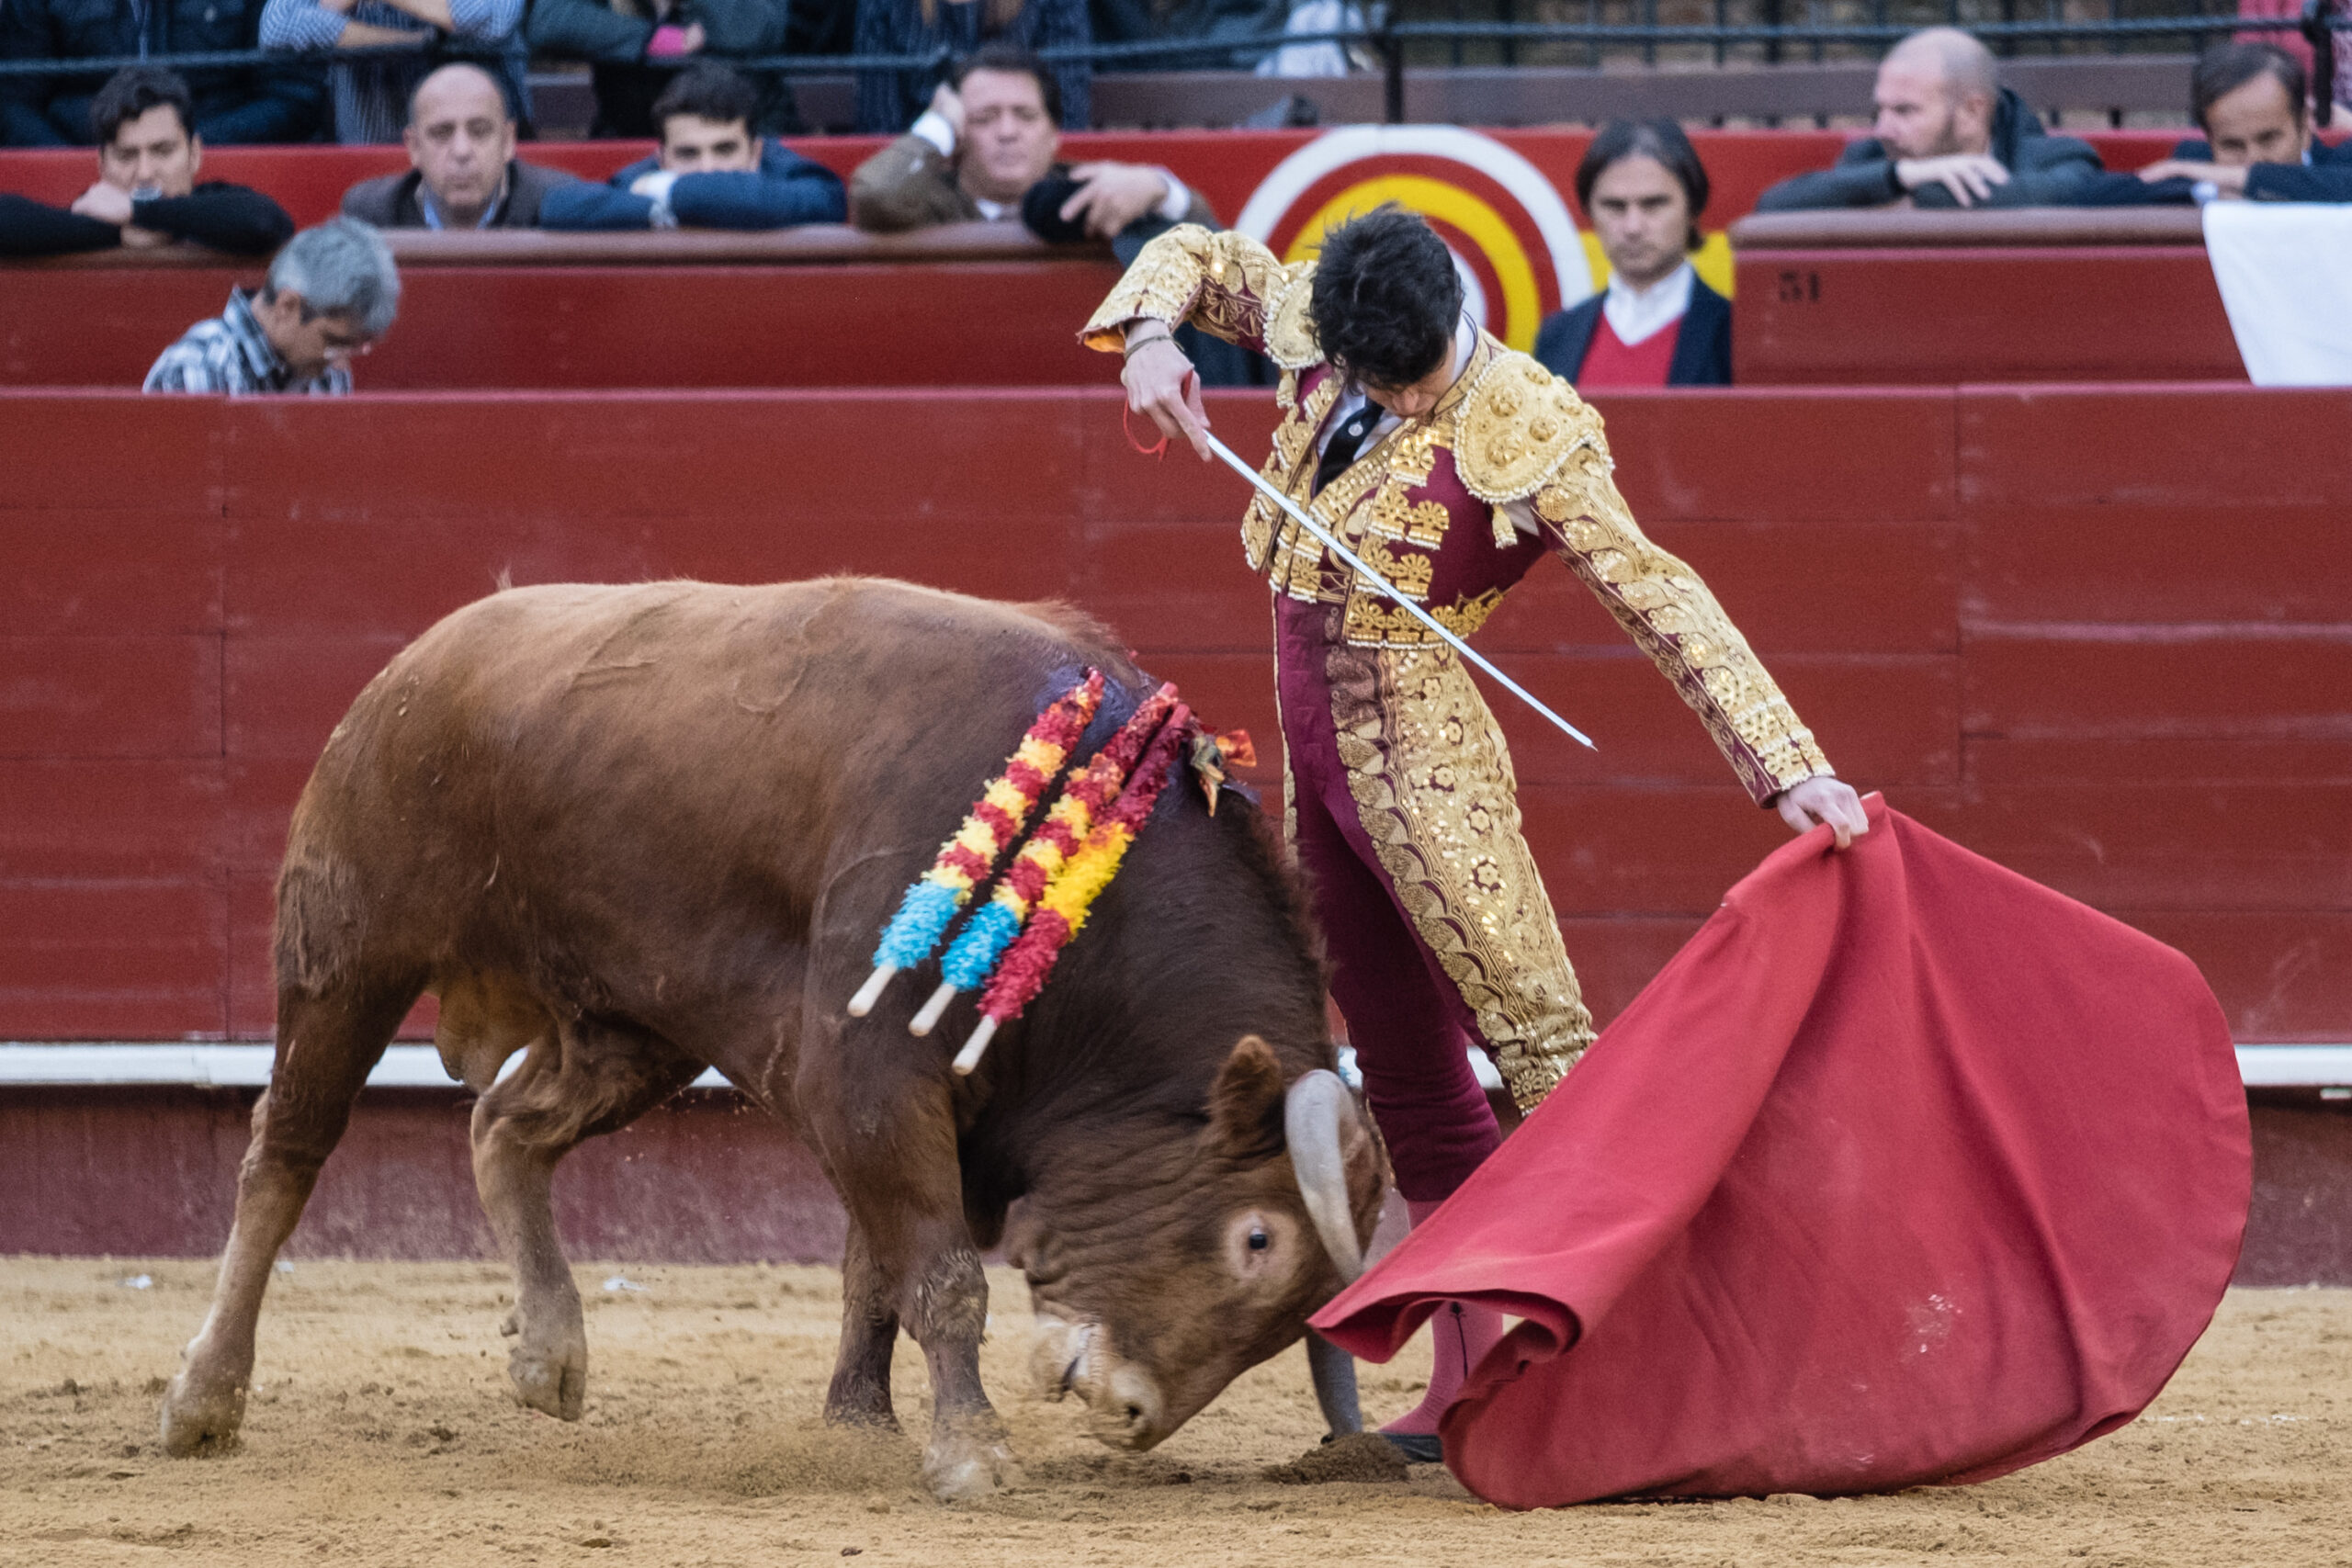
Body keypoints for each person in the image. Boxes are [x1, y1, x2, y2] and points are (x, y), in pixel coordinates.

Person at [1088, 206, 1868, 1460]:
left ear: (1454, 321)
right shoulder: (1319, 318)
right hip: (1322, 763)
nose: (1392, 402)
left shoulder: (1531, 422)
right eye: (1368, 380)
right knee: (1400, 1067)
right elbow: (1195, 247)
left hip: (1426, 757)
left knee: (1545, 1045)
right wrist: (1145, 338)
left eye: (1413, 381)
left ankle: (1658, 1369)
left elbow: (1660, 590)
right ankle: (1463, 1391)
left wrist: (1788, 770)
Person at [851, 46, 1208, 236]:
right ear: (957, 135)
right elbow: (876, 197)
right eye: (984, 118)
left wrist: (1161, 189)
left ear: (1054, 135)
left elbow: (1213, 241)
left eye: (1025, 115)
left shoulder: (1086, 189)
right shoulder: (922, 200)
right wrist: (937, 125)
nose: (1007, 132)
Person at [1753, 27, 2098, 211]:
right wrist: (1902, 177)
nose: (1882, 130)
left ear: (1972, 110)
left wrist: (1910, 196)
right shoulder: (1875, 159)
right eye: (1879, 110)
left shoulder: (2058, 159)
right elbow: (1773, 207)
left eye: (1905, 111)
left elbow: (2065, 194)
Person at [0, 68, 293, 257]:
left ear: (195, 155)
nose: (144, 173)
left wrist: (135, 211)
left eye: (163, 151)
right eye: (127, 156)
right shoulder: (92, 210)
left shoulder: (217, 203)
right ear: (102, 164)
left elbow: (263, 222)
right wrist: (114, 229)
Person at [1532, 120, 1730, 389]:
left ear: (1692, 208)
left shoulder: (1734, 336)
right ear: (1590, 212)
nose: (1632, 227)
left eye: (1653, 204)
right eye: (1614, 206)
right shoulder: (1556, 336)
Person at [540, 64, 845, 231]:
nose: (707, 168)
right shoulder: (645, 175)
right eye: (689, 154)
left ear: (756, 153)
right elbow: (560, 206)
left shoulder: (655, 184)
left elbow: (829, 200)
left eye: (724, 150)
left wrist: (668, 193)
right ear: (661, 158)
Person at [0, 0, 321, 146]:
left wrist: (187, 150)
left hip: (227, 174)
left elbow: (294, 99)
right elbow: (14, 103)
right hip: (77, 176)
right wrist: (85, 165)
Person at [2068, 42, 2352, 205]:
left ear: (2304, 129)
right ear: (2209, 138)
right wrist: (2202, 185)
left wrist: (2231, 179)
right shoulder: (2193, 163)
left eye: (2269, 139)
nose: (2253, 159)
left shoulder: (2341, 161)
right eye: (2232, 145)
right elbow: (2086, 196)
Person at [144, 217, 400, 394]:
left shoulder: (326, 372)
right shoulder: (200, 367)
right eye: (332, 341)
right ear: (287, 306)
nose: (340, 363)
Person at [341, 63, 582, 229]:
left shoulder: (560, 204)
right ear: (414, 147)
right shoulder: (369, 213)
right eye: (441, 133)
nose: (462, 151)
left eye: (479, 131)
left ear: (508, 141)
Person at [259, 0, 527, 145]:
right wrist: (412, 41)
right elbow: (276, 27)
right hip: (368, 153)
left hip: (476, 159)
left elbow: (492, 19)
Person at [525, 0, 799, 139]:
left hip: (742, 139)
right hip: (629, 136)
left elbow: (756, 26)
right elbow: (549, 21)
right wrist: (652, 39)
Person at [854, 0, 1091, 136]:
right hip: (925, 175)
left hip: (1026, 171)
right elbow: (879, 127)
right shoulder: (886, 5)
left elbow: (1067, 117)